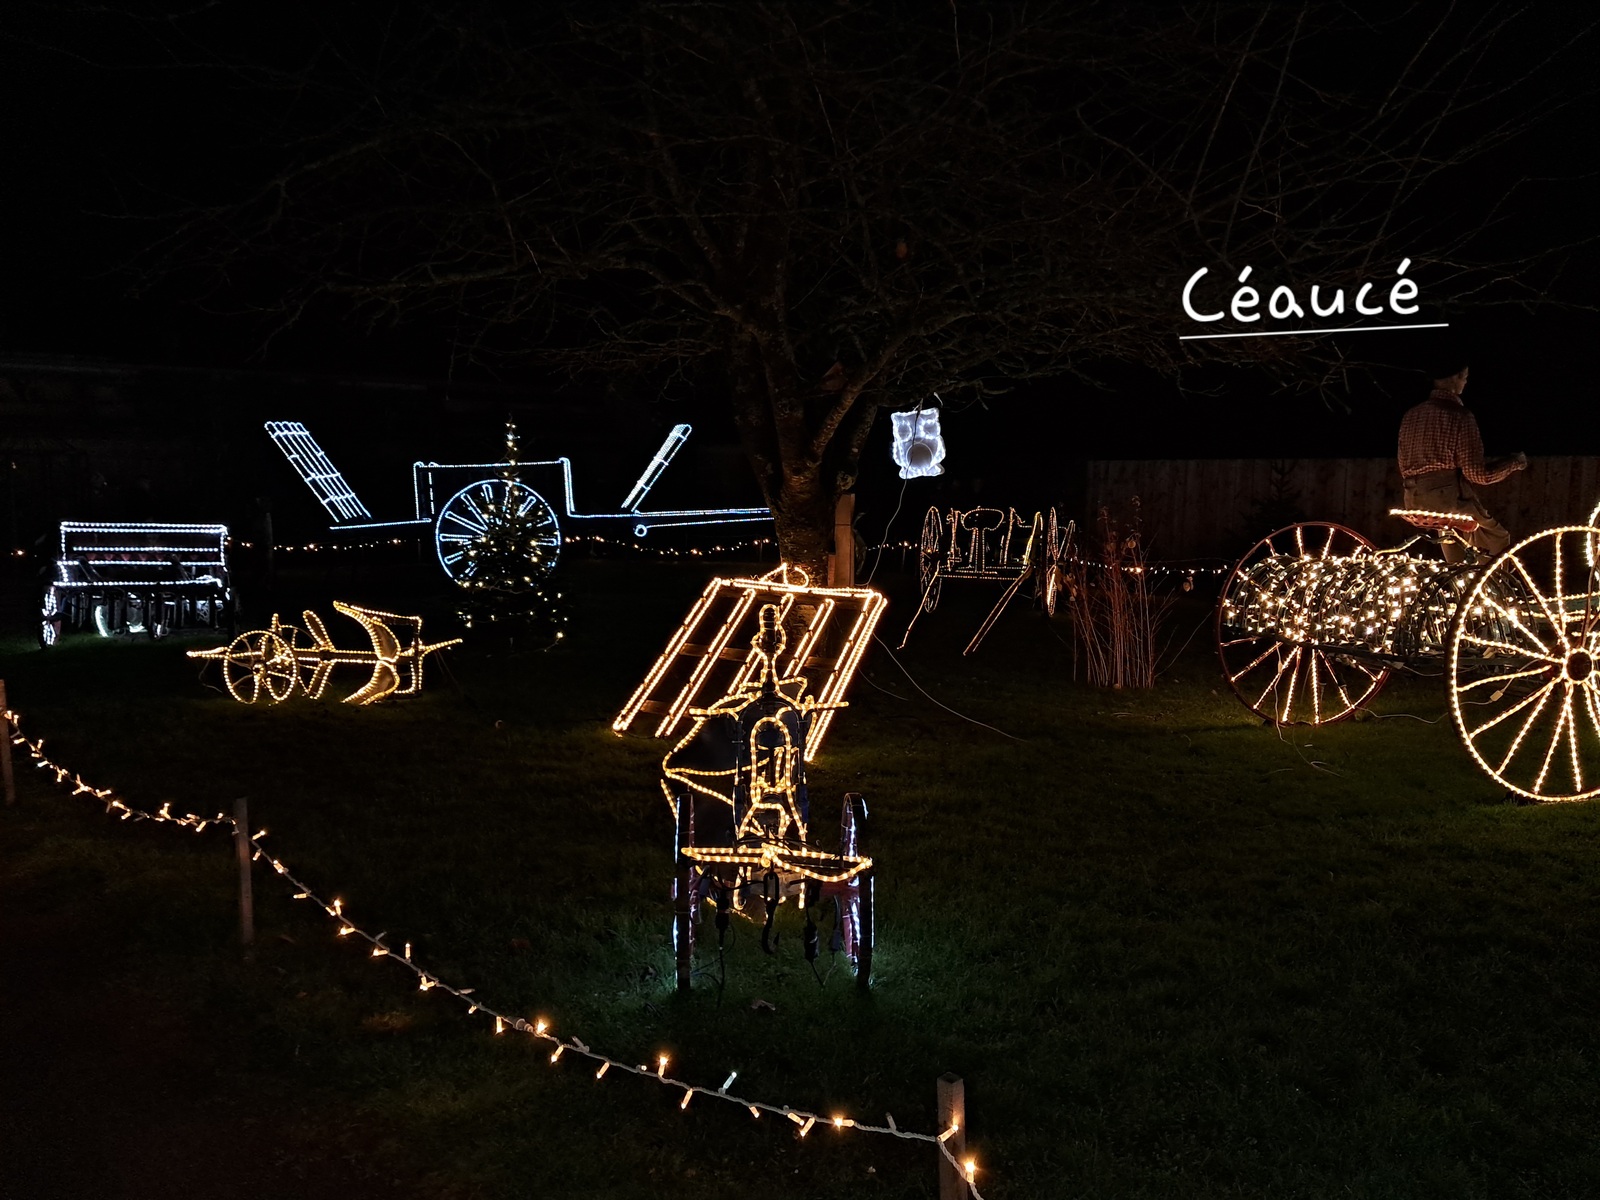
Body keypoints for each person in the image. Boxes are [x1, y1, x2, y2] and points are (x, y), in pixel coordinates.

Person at [1397, 363, 1526, 563]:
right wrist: (1515, 462)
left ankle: (1457, 575)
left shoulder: (1411, 416)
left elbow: (1403, 465)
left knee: (1453, 539)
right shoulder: (1460, 416)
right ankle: (1489, 581)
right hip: (1448, 500)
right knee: (1497, 538)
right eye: (1465, 377)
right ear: (1455, 377)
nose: (1466, 382)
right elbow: (1478, 475)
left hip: (1414, 500)